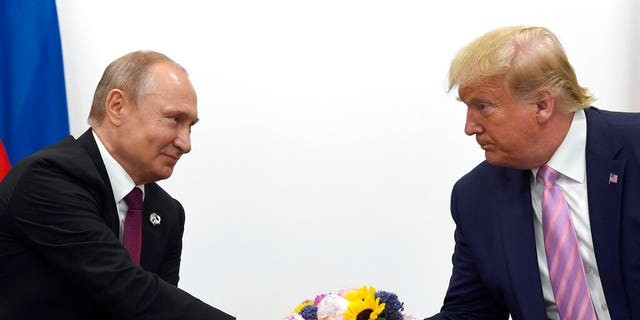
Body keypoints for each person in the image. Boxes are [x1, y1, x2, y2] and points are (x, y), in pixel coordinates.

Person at [0, 51, 234, 319]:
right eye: (174, 119)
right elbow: (127, 288)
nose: (186, 143)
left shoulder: (167, 212)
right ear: (116, 106)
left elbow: (158, 312)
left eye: (190, 126)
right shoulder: (47, 179)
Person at [428, 26, 640, 319]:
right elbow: (471, 311)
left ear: (542, 105)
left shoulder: (634, 148)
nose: (470, 127)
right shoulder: (475, 197)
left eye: (483, 107)